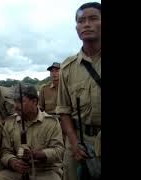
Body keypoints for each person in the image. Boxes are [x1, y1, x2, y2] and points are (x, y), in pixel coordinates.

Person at [55, 2, 101, 180]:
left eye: (93, 18)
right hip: (79, 142)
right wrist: (74, 144)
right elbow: (64, 111)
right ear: (76, 29)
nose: (86, 24)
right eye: (81, 21)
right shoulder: (67, 67)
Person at [0, 83, 64, 180]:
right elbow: (5, 151)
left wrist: (38, 154)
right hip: (18, 171)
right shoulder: (10, 122)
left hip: (45, 171)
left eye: (20, 101)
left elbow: (59, 150)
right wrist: (13, 162)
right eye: (15, 101)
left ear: (34, 102)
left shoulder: (51, 122)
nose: (16, 106)